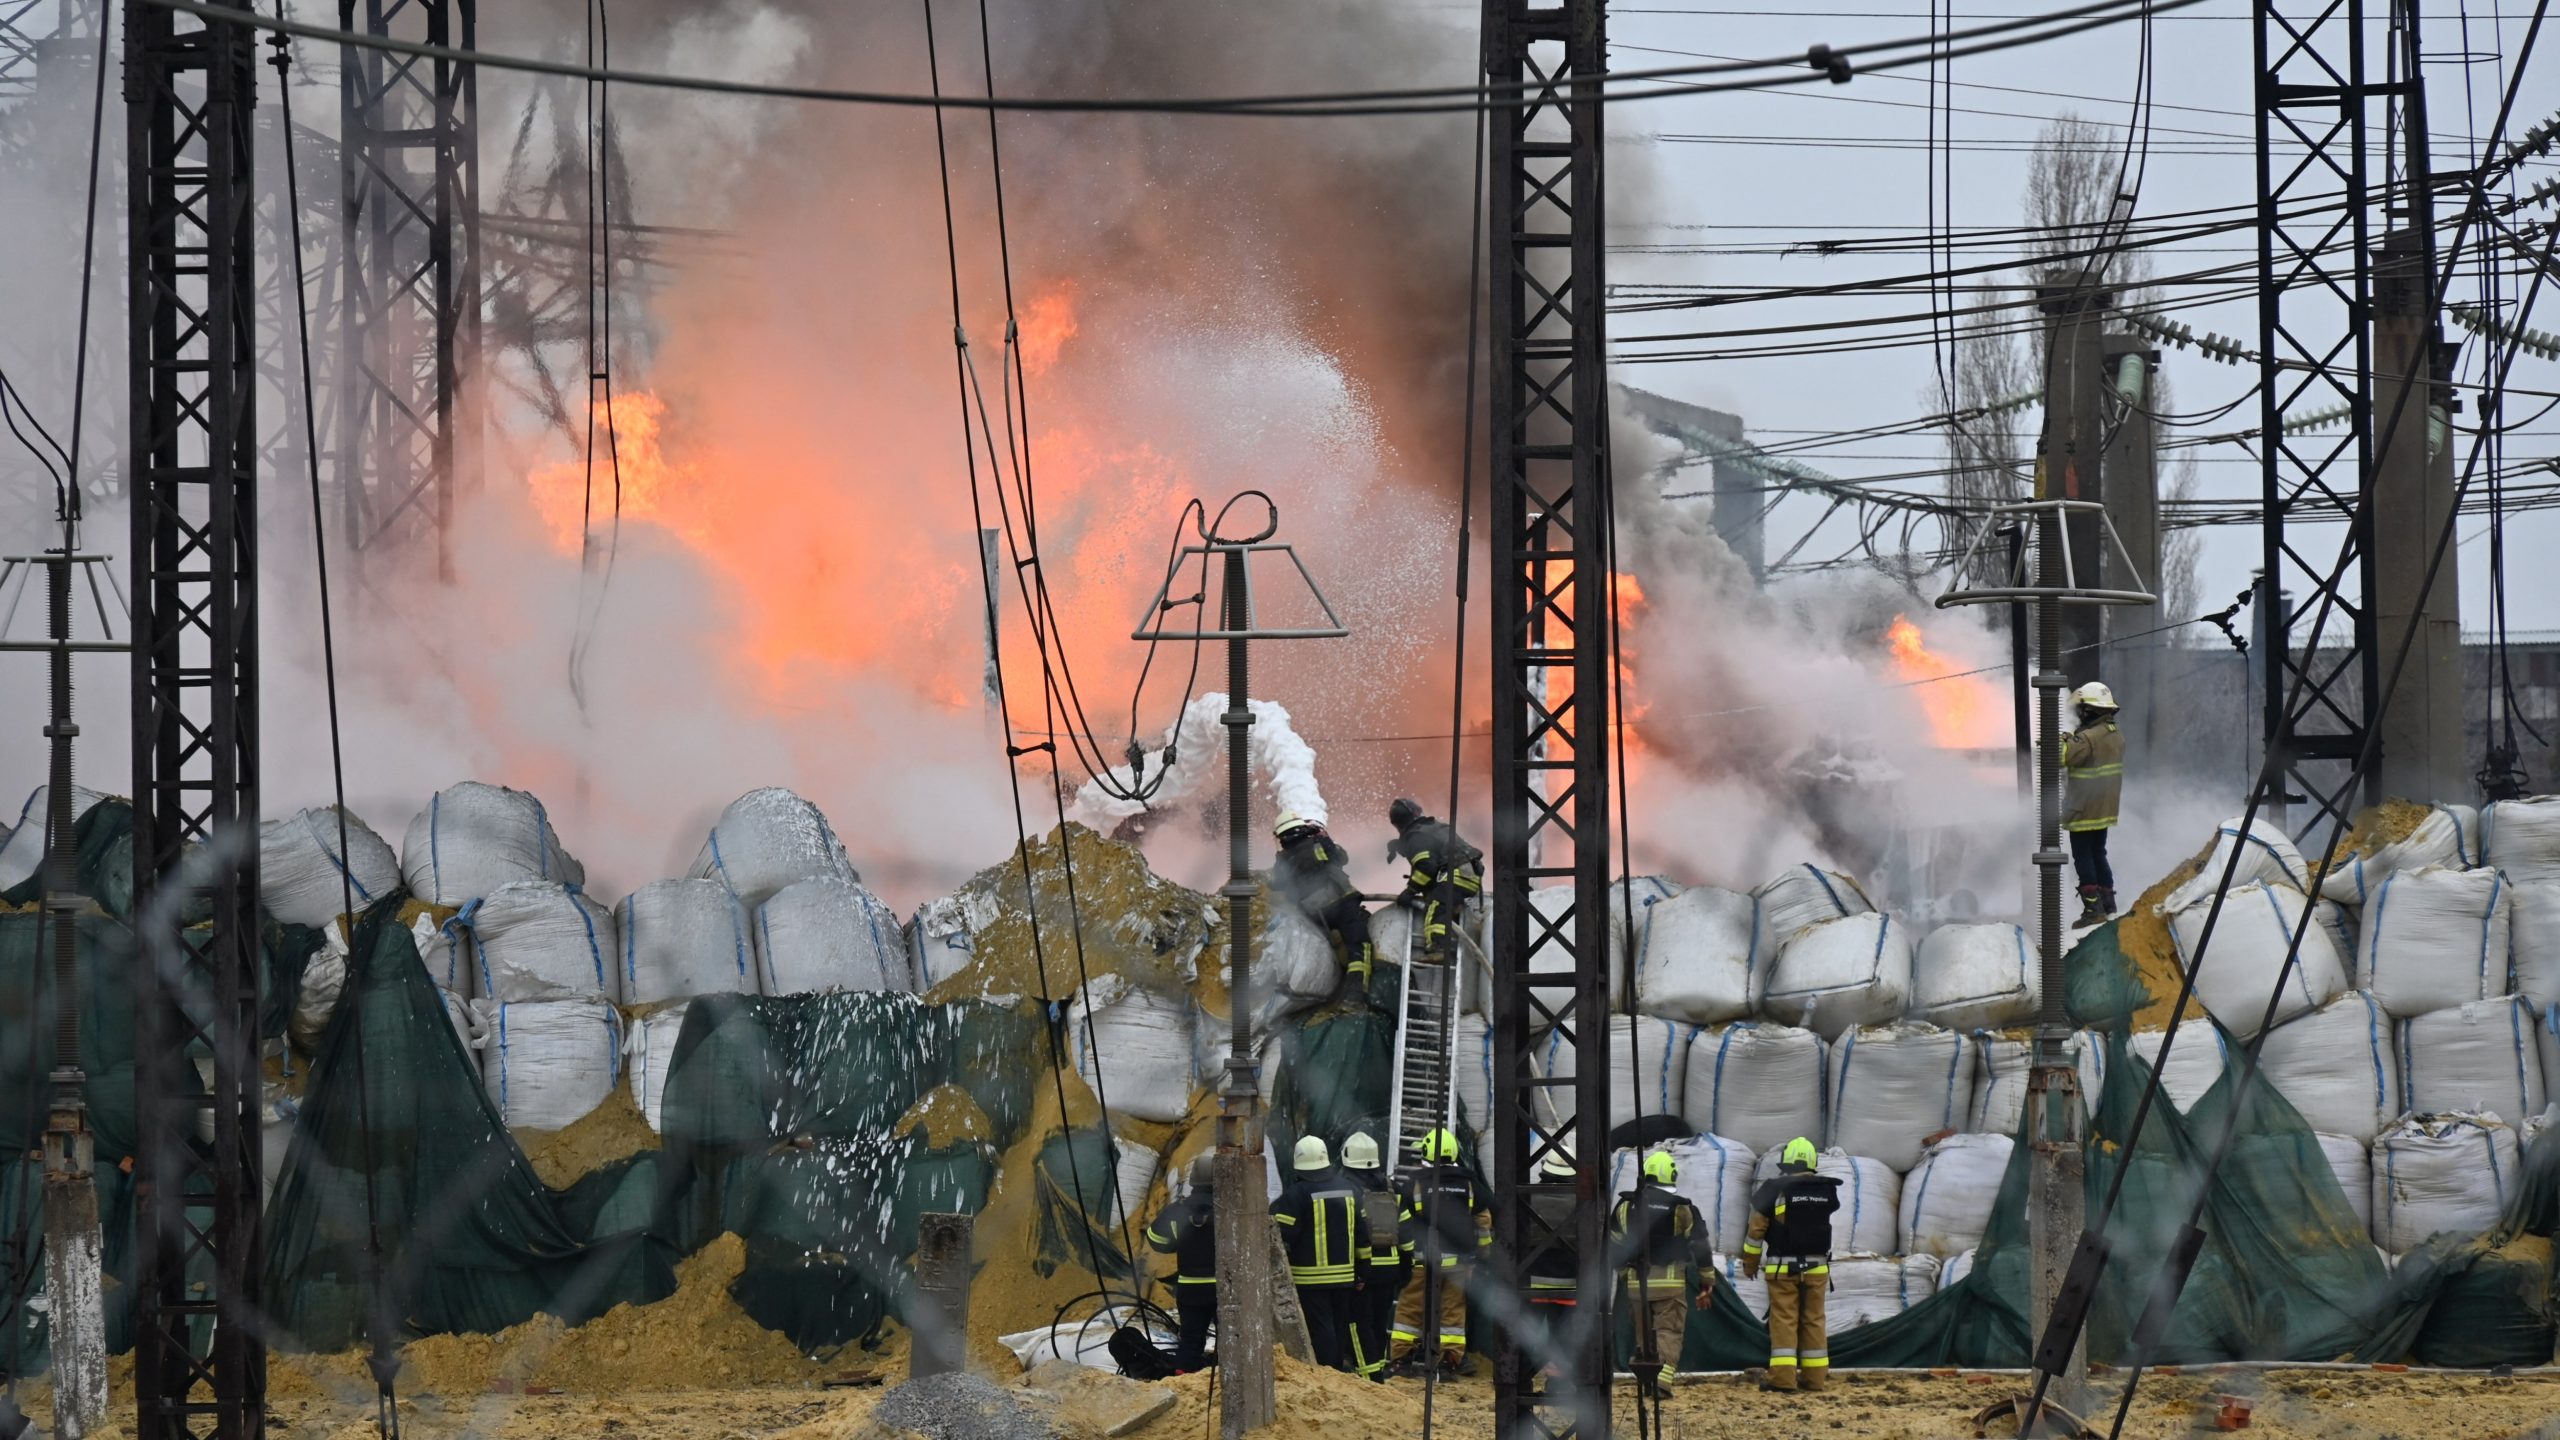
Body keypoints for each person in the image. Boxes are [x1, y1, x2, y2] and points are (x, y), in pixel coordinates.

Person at [1610, 1149, 1716, 1400]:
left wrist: (1624, 1273)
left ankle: (1646, 1381)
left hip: (1637, 1284)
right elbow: (1700, 1245)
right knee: (1668, 1332)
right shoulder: (1682, 1208)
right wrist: (1707, 1280)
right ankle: (1661, 1384)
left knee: (1644, 1336)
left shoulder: (1625, 1206)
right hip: (1669, 1284)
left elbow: (1613, 1246)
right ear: (1672, 1176)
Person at [1740, 1137, 1842, 1393]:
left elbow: (1756, 1231)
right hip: (1817, 1268)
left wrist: (1750, 1263)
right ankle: (1815, 1379)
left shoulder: (1774, 1188)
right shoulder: (1827, 1190)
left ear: (1786, 1163)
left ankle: (1783, 1380)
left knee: (1784, 1320)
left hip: (1783, 1269)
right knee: (1814, 1320)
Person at [1391, 1128, 1492, 1376]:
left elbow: (1402, 1221)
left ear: (1426, 1153)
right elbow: (1483, 1221)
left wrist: (1405, 1254)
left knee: (1410, 1308)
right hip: (1458, 1262)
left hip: (1422, 1259)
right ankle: (1450, 1362)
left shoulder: (1415, 1184)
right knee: (1453, 1312)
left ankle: (1401, 1360)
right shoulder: (1470, 1184)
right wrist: (1481, 1255)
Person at [1270, 1134, 1369, 1373]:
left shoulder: (1296, 1194)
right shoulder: (1350, 1189)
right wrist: (1362, 1272)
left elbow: (1282, 1236)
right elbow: (1363, 1235)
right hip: (1345, 1277)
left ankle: (1327, 1372)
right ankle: (1337, 1370)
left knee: (1320, 1328)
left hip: (1310, 1279)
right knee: (1338, 1326)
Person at [1270, 813, 1375, 995]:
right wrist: (1325, 838)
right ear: (1301, 827)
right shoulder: (1318, 842)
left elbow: (1278, 884)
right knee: (1360, 945)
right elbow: (1342, 858)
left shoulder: (1282, 859)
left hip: (1315, 914)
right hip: (1342, 903)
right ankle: (1356, 993)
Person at [1339, 1132, 1409, 1382]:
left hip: (1362, 1270)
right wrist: (1407, 1267)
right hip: (1390, 1269)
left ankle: (1371, 1377)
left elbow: (1349, 1232)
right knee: (1380, 1322)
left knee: (1359, 1324)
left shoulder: (1347, 1188)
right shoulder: (1392, 1188)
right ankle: (1378, 1369)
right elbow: (1406, 1231)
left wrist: (1357, 1270)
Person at [1143, 1154, 1221, 1372]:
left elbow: (1156, 1239)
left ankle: (1184, 1378)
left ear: (1193, 1180)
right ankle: (1224, 1379)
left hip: (1190, 1289)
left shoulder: (1179, 1209)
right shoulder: (1229, 1208)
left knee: (1190, 1341)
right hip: (1223, 1290)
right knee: (1230, 1341)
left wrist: (1178, 1242)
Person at [1385, 798, 1484, 960]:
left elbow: (1427, 867)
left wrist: (1410, 891)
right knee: (1443, 904)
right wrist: (1400, 845)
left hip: (1455, 876)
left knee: (1435, 908)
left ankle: (1439, 949)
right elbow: (1434, 849)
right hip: (1469, 875)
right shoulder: (1433, 828)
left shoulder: (1415, 838)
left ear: (1398, 824)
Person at [2064, 680, 2126, 926]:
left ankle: (2092, 909)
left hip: (2084, 807)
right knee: (2099, 853)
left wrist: (2061, 739)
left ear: (2089, 710)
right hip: (2104, 808)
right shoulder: (2114, 734)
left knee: (2083, 857)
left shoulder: (2088, 738)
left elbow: (2060, 756)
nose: (2078, 715)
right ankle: (2108, 904)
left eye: (2080, 710)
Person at [1522, 1148, 1583, 1384]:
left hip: (1531, 1284)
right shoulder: (1581, 1203)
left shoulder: (1527, 1198)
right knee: (1562, 1337)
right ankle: (1556, 1382)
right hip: (1569, 1286)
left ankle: (1520, 1378)